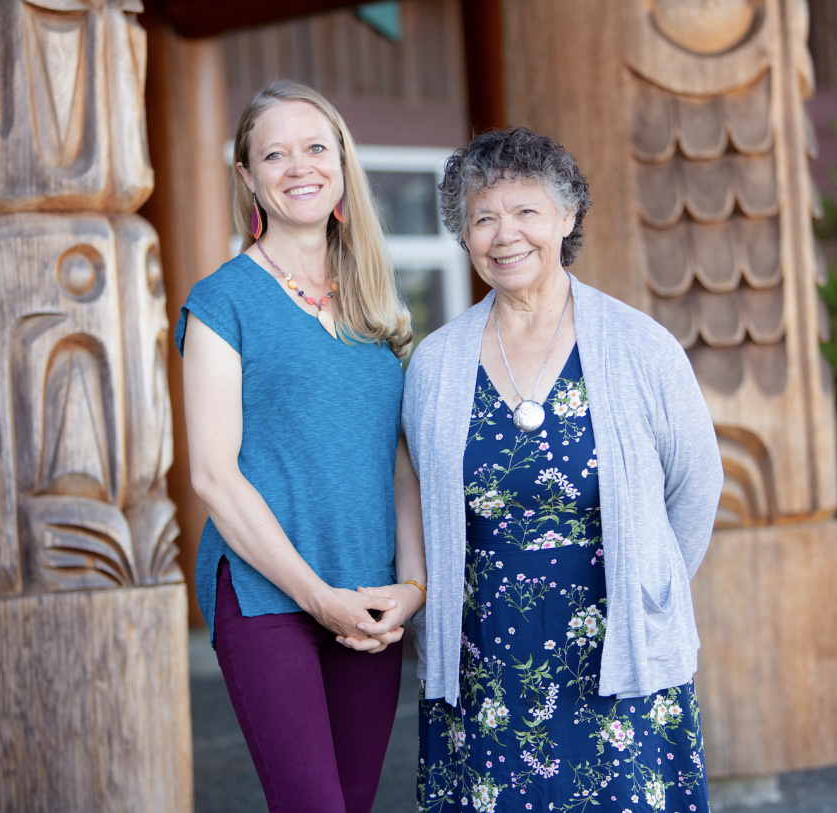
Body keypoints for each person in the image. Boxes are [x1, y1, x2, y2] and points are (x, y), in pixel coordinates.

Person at [404, 128, 723, 812]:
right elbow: (417, 498)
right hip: (485, 655)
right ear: (464, 234)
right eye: (483, 218)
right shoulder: (435, 363)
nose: (504, 235)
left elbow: (696, 486)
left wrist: (650, 588)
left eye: (526, 211)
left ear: (567, 216)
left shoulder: (642, 347)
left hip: (616, 644)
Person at [176, 80, 427, 813]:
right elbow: (214, 476)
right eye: (274, 154)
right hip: (268, 594)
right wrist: (317, 598)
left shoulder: (374, 302)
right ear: (248, 177)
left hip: (369, 594)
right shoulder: (223, 300)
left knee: (354, 800)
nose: (299, 167)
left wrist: (412, 588)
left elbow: (399, 463)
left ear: (342, 164)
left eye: (316, 148)